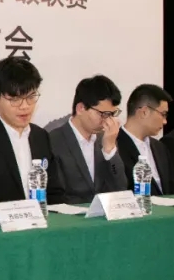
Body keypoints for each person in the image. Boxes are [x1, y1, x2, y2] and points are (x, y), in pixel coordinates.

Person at [0, 56, 65, 213]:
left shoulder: (41, 136)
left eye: (31, 97)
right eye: (15, 99)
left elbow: (55, 193)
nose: (25, 106)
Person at [48, 75, 128, 204]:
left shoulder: (106, 138)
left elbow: (120, 189)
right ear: (81, 108)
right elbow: (56, 196)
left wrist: (110, 151)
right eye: (103, 114)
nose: (108, 120)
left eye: (112, 114)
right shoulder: (54, 141)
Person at [117, 84, 174, 196]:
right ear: (144, 112)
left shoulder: (160, 147)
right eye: (163, 114)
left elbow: (173, 188)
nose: (165, 121)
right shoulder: (114, 146)